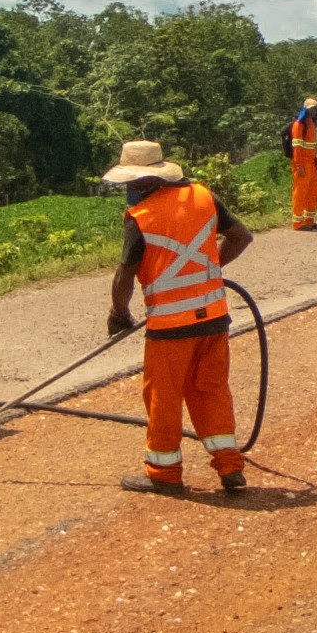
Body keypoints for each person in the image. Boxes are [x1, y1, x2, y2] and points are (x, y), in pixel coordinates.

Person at [102, 134, 254, 496]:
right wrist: (210, 268)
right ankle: (230, 467)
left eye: (131, 183)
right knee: (212, 390)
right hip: (214, 320)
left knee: (164, 399)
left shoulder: (140, 216)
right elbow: (241, 237)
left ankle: (164, 475)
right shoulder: (204, 196)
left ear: (142, 181)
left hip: (171, 329)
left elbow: (125, 274)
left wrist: (118, 313)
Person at [287, 96, 317, 231]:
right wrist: (299, 165)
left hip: (311, 164)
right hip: (302, 164)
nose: (313, 112)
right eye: (311, 109)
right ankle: (297, 223)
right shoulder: (299, 125)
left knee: (313, 192)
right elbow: (296, 148)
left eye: (315, 109)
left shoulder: (312, 124)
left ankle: (309, 220)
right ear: (305, 110)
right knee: (300, 192)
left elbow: (312, 146)